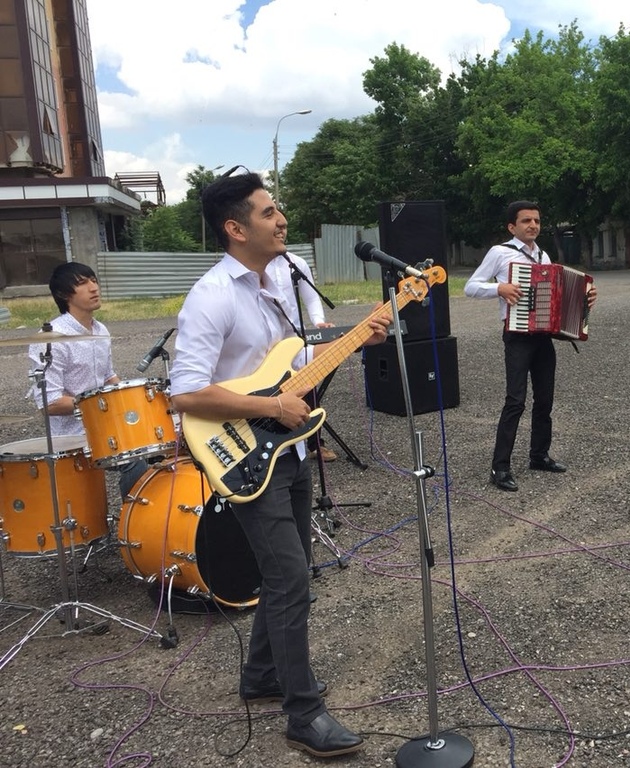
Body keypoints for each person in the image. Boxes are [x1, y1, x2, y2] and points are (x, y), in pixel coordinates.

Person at [169, 172, 388, 758]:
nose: (281, 219)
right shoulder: (212, 296)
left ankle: (262, 675)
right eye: (268, 212)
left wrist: (358, 337)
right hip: (240, 451)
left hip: (286, 448)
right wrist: (271, 407)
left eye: (278, 209)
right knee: (291, 579)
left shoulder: (288, 278)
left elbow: (300, 357)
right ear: (236, 228)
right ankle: (303, 714)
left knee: (287, 572)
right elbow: (185, 393)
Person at [465, 200, 597, 492]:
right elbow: (470, 286)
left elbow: (557, 297)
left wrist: (584, 298)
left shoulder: (543, 255)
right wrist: (499, 288)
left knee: (545, 399)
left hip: (542, 335)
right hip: (517, 335)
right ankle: (500, 467)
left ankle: (539, 455)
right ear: (512, 226)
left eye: (536, 220)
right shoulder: (500, 253)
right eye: (526, 221)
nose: (533, 225)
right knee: (515, 400)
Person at [27, 262, 147, 498]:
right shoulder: (51, 339)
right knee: (135, 460)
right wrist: (100, 403)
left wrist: (132, 398)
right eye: (83, 283)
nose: (94, 288)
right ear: (64, 294)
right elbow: (50, 403)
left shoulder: (100, 330)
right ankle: (133, 518)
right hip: (72, 436)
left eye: (94, 280)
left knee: (163, 445)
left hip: (104, 425)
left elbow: (108, 376)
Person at [269, 251, 339, 463]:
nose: (281, 233)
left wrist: (318, 322)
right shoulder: (253, 265)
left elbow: (311, 297)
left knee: (307, 386)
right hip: (266, 343)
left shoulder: (296, 263)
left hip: (294, 339)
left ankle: (315, 444)